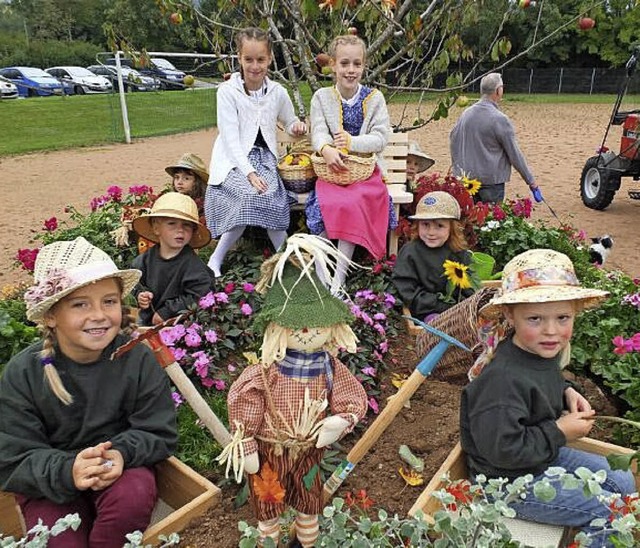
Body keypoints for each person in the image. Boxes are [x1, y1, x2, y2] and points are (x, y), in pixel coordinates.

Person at [0, 237, 177, 548]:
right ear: (51, 315)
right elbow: (12, 459)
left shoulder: (135, 359)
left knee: (133, 495)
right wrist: (68, 470)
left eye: (109, 301)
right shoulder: (23, 373)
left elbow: (158, 431)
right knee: (58, 540)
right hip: (49, 482)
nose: (99, 314)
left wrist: (120, 453)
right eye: (81, 304)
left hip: (116, 469)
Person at [460, 249, 636, 546]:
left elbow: (547, 382)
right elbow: (502, 450)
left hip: (539, 455)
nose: (551, 331)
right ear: (510, 315)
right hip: (505, 481)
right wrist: (559, 431)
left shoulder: (537, 351)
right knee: (610, 511)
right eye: (536, 318)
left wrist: (568, 391)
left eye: (563, 317)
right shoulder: (501, 381)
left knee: (622, 480)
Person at [218, 234, 368, 548]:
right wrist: (245, 440)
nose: (306, 332)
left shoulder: (329, 367)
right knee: (268, 507)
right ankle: (269, 542)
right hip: (269, 451)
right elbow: (246, 396)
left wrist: (341, 420)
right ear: (276, 328)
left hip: (309, 451)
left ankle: (304, 543)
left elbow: (352, 397)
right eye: (296, 325)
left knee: (308, 503)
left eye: (315, 325)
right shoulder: (266, 368)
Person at [205, 27, 307, 278]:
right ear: (239, 58)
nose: (255, 66)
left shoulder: (277, 92)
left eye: (260, 59)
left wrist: (296, 126)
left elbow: (290, 119)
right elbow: (229, 139)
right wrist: (249, 173)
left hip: (266, 160)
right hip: (234, 161)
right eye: (248, 59)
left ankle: (285, 259)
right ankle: (215, 260)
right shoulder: (227, 92)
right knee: (248, 195)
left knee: (270, 193)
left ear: (270, 59)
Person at [306, 34, 397, 294]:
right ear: (333, 65)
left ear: (363, 66)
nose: (350, 70)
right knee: (327, 205)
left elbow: (380, 138)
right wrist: (325, 149)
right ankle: (324, 272)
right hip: (332, 170)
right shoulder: (322, 97)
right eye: (344, 63)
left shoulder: (374, 98)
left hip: (364, 171)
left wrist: (351, 142)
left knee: (353, 203)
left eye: (357, 64)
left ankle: (340, 276)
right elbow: (319, 132)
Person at [449, 72, 542, 204]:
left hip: (467, 180)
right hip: (492, 183)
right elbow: (515, 154)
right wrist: (531, 182)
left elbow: (453, 139)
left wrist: (457, 171)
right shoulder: (499, 119)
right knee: (492, 221)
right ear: (498, 90)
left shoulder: (466, 114)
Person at [132, 192, 215, 326]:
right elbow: (135, 282)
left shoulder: (193, 266)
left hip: (181, 326)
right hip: (148, 321)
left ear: (193, 231)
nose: (180, 230)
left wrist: (167, 312)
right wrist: (141, 295)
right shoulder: (144, 260)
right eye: (172, 223)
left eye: (186, 225)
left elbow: (199, 294)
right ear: (156, 228)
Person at [392, 191, 474, 321]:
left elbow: (468, 285)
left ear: (451, 228)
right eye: (425, 225)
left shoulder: (458, 251)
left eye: (439, 226)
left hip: (456, 310)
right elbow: (406, 289)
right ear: (417, 225)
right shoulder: (410, 252)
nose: (431, 232)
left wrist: (465, 304)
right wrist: (439, 305)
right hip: (424, 311)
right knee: (435, 323)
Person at [164, 152, 209, 218]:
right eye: (177, 177)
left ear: (198, 182)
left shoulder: (205, 206)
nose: (179, 182)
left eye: (186, 178)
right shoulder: (172, 200)